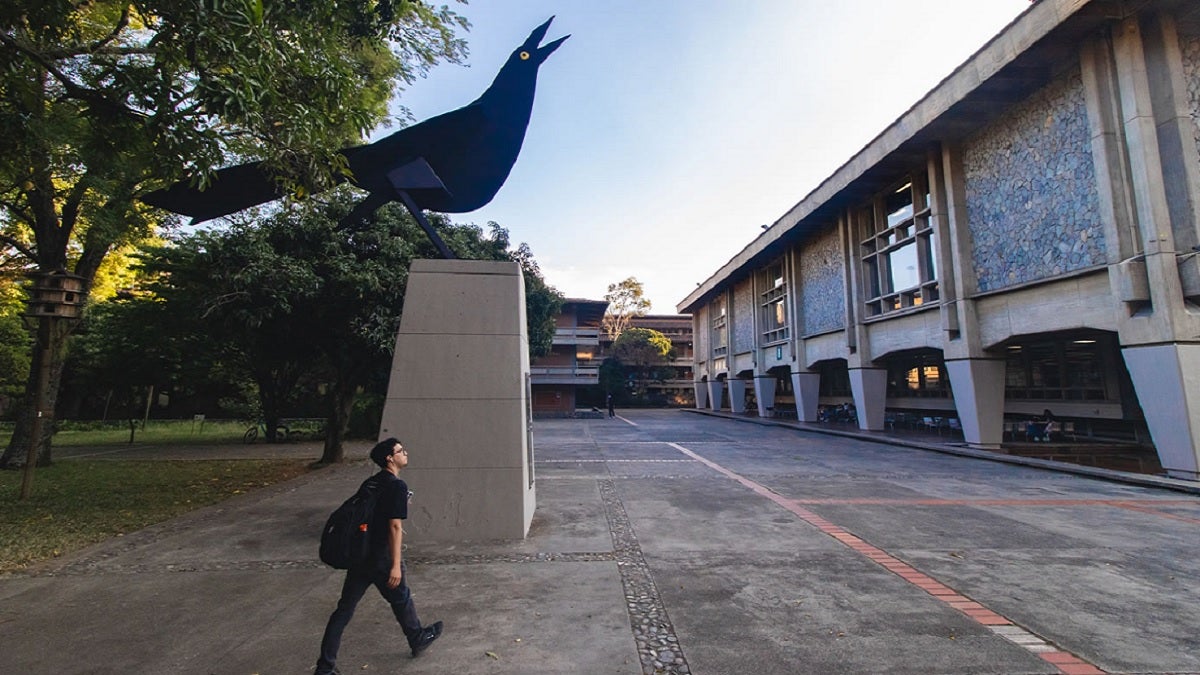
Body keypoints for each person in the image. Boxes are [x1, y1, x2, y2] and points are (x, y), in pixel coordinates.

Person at [315, 438, 442, 674]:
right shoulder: (396, 486)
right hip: (381, 558)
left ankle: (325, 667)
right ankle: (417, 638)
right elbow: (394, 527)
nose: (405, 453)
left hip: (360, 556)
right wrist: (395, 565)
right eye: (400, 451)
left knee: (343, 611)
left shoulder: (372, 483)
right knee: (401, 598)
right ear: (389, 458)